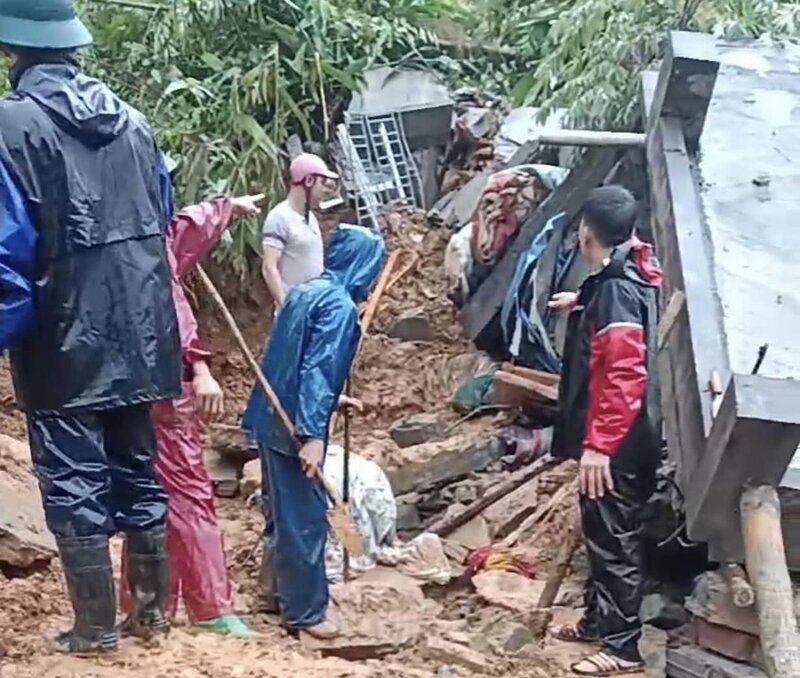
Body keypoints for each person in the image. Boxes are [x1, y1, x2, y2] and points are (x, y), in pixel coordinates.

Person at [0, 0, 181, 654]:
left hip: (64, 344)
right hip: (142, 334)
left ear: (11, 50)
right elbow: (161, 216)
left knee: (75, 480)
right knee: (138, 470)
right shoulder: (134, 123)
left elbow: (6, 259)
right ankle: (152, 617)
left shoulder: (9, 126)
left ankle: (96, 631)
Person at [118, 189, 264, 638]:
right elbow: (170, 308)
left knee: (145, 492)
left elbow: (183, 229)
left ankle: (148, 604)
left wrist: (225, 208)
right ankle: (208, 605)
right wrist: (198, 366)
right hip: (161, 384)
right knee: (183, 491)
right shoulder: (143, 244)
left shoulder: (117, 233)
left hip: (125, 385)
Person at [242, 224, 385, 639]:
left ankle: (276, 592)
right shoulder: (338, 306)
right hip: (293, 429)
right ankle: (305, 612)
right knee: (304, 518)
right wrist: (312, 435)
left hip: (271, 417)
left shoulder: (304, 291)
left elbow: (290, 360)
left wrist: (328, 404)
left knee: (280, 514)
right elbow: (317, 370)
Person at [548, 186, 662, 677]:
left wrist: (599, 447)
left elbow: (622, 374)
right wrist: (581, 303)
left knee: (614, 539)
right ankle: (601, 622)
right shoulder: (629, 270)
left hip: (617, 441)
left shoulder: (615, 289)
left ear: (586, 233)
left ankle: (622, 649)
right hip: (627, 435)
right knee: (602, 532)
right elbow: (618, 296)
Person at [261, 153, 337, 310]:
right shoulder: (279, 218)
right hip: (297, 313)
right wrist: (287, 308)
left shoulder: (310, 218)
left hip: (314, 309)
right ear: (309, 181)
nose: (324, 189)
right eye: (322, 182)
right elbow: (269, 267)